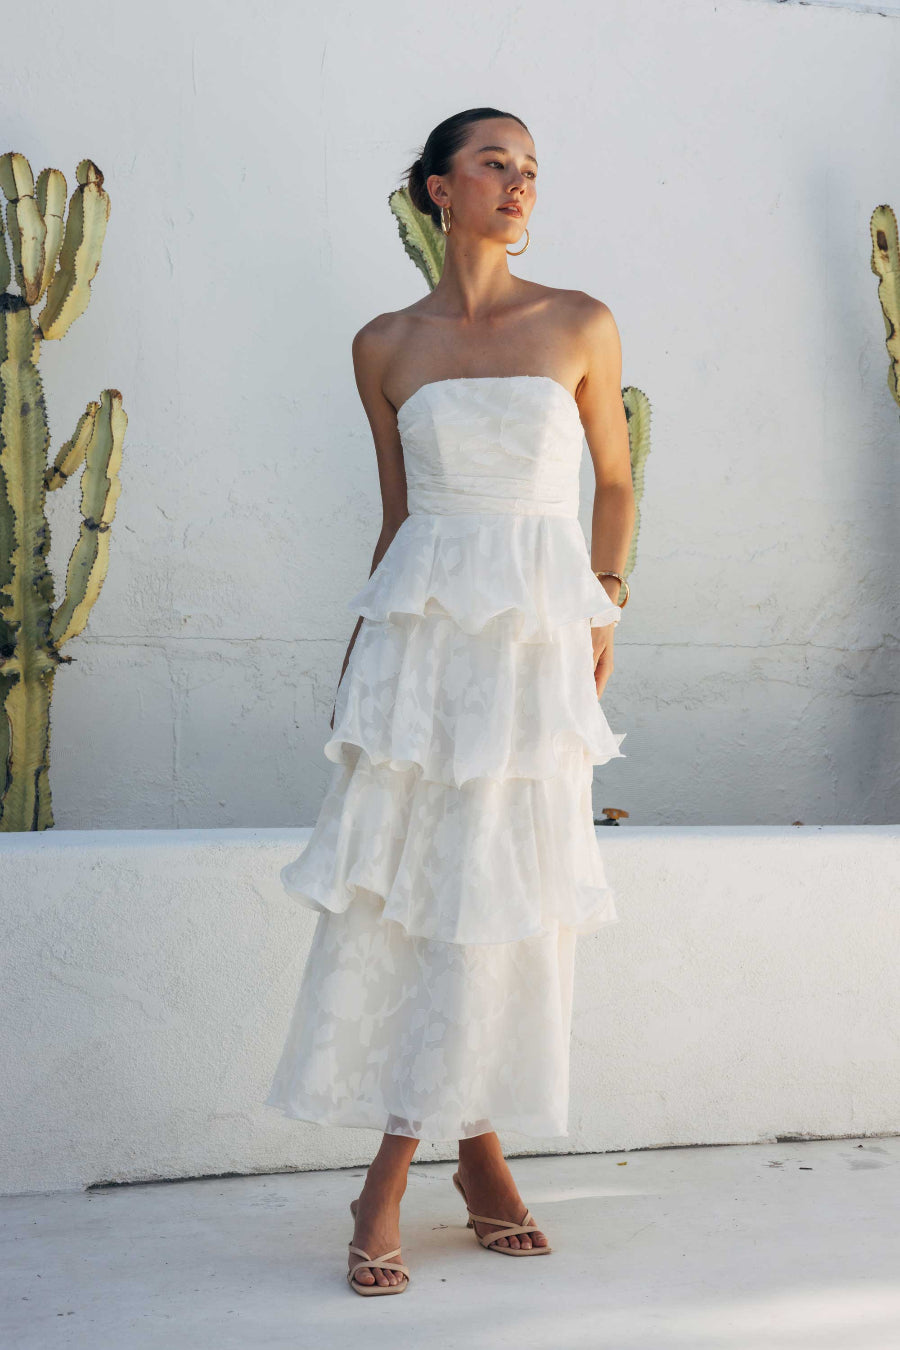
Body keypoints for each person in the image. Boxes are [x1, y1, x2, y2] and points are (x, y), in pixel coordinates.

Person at [265, 106, 635, 1297]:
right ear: (437, 189)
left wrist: (604, 606)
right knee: (417, 896)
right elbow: (398, 519)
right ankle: (470, 1158)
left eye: (532, 169)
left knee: (496, 889)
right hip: (420, 641)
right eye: (495, 164)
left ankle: (391, 1178)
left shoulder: (578, 322)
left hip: (534, 639)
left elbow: (613, 482)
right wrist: (363, 651)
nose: (520, 183)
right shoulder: (382, 344)